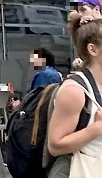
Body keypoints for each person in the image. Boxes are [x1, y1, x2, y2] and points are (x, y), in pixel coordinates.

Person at [47, 12, 102, 165]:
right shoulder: (74, 91)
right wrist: (97, 128)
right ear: (92, 49)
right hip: (80, 170)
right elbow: (55, 146)